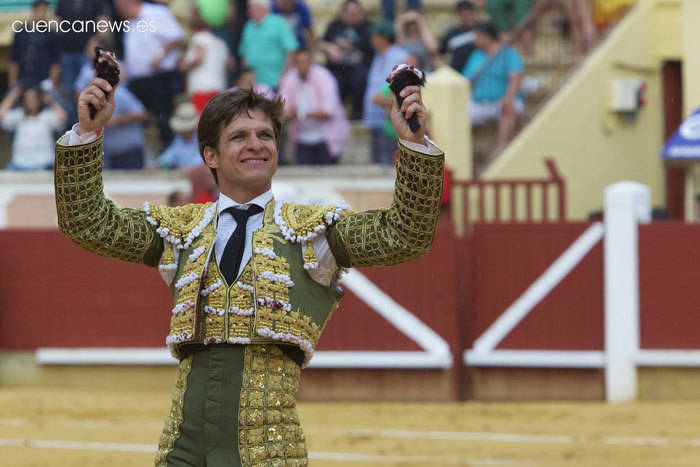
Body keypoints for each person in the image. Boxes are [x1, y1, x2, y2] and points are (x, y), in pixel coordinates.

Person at [55, 55, 443, 466]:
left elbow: (405, 234)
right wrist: (88, 132)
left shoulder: (312, 231)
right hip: (181, 448)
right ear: (211, 156)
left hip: (268, 451)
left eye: (265, 135)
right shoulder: (181, 230)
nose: (256, 144)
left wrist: (413, 145)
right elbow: (87, 223)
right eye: (239, 136)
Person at [115, 0, 184, 149]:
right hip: (136, 80)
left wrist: (160, 55)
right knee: (137, 117)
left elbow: (176, 36)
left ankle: (168, 154)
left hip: (158, 76)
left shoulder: (157, 12)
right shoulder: (129, 24)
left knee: (163, 118)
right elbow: (130, 52)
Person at [278, 49, 350, 165]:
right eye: (299, 62)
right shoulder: (289, 79)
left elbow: (327, 112)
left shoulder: (324, 76)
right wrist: (292, 113)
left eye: (305, 62)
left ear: (311, 62)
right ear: (295, 64)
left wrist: (299, 113)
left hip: (326, 138)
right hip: (301, 138)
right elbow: (283, 110)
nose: (303, 66)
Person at [462, 21, 524, 154]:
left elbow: (516, 78)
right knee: (458, 115)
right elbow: (466, 81)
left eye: (477, 35)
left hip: (502, 101)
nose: (475, 39)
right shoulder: (476, 55)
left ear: (487, 36)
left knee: (509, 107)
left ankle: (500, 149)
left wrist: (509, 97)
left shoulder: (508, 52)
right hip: (479, 103)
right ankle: (462, 154)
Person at [363, 20, 414, 165]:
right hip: (375, 120)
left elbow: (410, 86)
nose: (371, 39)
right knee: (378, 164)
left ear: (382, 38)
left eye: (374, 36)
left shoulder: (401, 56)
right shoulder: (378, 56)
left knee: (391, 165)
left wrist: (385, 101)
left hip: (391, 123)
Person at [320, 0, 374, 120]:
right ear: (343, 13)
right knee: (333, 81)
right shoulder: (334, 26)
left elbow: (373, 48)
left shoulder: (368, 27)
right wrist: (330, 48)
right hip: (337, 68)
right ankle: (334, 116)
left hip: (360, 68)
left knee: (360, 79)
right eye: (350, 13)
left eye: (356, 13)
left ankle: (357, 116)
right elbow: (321, 43)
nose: (353, 16)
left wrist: (354, 45)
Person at [1, 85, 67, 171]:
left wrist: (49, 100)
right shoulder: (18, 115)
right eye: (27, 97)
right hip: (19, 164)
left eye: (34, 97)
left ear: (39, 99)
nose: (30, 100)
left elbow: (63, 117)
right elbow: (2, 115)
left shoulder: (47, 116)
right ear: (23, 100)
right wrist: (13, 96)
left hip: (45, 164)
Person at [180, 8, 233, 113]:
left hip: (201, 87)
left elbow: (199, 58)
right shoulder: (220, 42)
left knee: (201, 120)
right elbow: (230, 64)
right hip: (218, 86)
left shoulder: (198, 38)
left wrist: (184, 65)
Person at [238, 0, 299, 90]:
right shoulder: (248, 26)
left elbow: (291, 50)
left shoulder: (279, 23)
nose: (250, 10)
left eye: (254, 7)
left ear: (265, 8)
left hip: (276, 83)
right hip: (254, 85)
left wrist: (285, 76)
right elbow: (244, 54)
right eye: (250, 7)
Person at [55, 0, 108, 99]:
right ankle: (71, 113)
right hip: (67, 52)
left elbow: (102, 22)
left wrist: (97, 41)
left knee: (86, 87)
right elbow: (57, 21)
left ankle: (86, 113)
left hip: (87, 54)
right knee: (68, 89)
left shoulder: (95, 2)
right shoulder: (63, 2)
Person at [9, 0, 61, 90]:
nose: (42, 13)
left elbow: (55, 62)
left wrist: (51, 84)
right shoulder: (21, 32)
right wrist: (13, 82)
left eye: (45, 10)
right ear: (33, 11)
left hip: (44, 81)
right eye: (40, 10)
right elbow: (14, 59)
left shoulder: (51, 34)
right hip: (23, 80)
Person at [154, 102, 203, 169]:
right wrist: (156, 166)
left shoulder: (201, 140)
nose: (184, 132)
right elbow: (167, 157)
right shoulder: (179, 140)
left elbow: (200, 163)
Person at [439, 0, 478, 73]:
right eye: (464, 15)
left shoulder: (483, 31)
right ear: (458, 15)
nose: (468, 18)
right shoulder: (452, 34)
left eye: (470, 14)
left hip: (478, 75)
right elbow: (440, 53)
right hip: (457, 76)